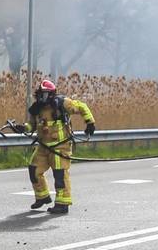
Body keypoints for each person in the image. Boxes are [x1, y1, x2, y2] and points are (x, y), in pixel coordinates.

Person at [14, 79, 96, 215]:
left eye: (45, 94)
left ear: (51, 94)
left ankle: (62, 204)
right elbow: (31, 125)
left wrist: (90, 122)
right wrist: (23, 128)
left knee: (60, 175)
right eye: (40, 94)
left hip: (60, 147)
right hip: (43, 147)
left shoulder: (62, 103)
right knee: (34, 169)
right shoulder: (36, 109)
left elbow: (81, 106)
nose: (42, 97)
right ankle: (42, 197)